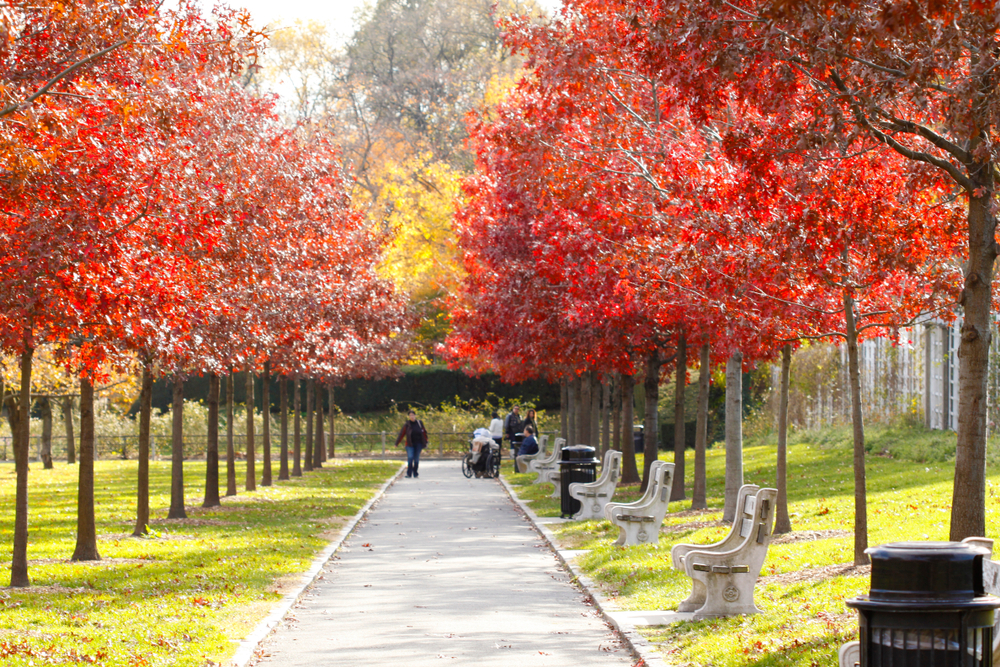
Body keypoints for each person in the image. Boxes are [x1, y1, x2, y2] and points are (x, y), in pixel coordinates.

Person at [395, 410, 428, 478]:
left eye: (413, 415)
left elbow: (424, 432)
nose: (412, 416)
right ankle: (409, 473)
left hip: (418, 444)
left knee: (416, 459)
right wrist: (397, 443)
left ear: (415, 416)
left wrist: (426, 441)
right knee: (410, 457)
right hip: (409, 444)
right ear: (409, 416)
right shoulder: (407, 424)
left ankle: (415, 473)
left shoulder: (419, 423)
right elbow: (402, 434)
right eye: (410, 415)